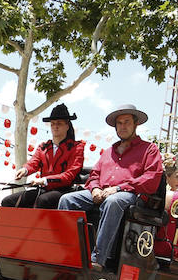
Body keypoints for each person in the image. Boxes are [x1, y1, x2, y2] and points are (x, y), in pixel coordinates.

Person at [58, 104, 164, 270]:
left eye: (127, 122)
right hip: (102, 191)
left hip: (129, 194)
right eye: (119, 123)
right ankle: (68, 252)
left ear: (136, 124)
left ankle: (98, 260)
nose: (122, 126)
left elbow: (151, 179)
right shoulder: (109, 151)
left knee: (113, 202)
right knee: (67, 199)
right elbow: (94, 175)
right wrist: (95, 189)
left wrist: (118, 188)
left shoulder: (149, 149)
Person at [2, 103, 84, 209]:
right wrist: (25, 170)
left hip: (64, 191)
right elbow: (33, 163)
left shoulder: (77, 147)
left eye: (59, 123)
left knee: (43, 200)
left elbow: (69, 175)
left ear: (67, 126)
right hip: (43, 189)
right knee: (8, 201)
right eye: (52, 124)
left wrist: (45, 180)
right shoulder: (43, 147)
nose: (55, 126)